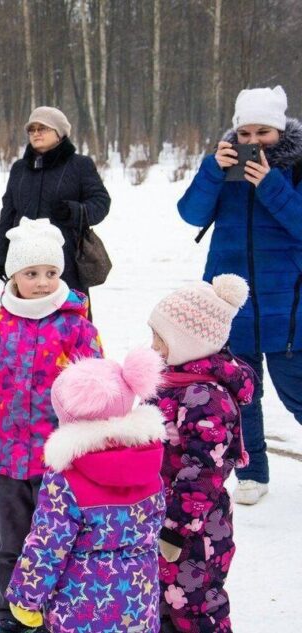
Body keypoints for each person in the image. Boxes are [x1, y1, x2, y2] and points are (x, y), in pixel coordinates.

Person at [0, 218, 102, 633]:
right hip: (7, 461)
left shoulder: (76, 326)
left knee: (57, 546)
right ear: (13, 276)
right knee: (12, 547)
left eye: (51, 273)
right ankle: (12, 617)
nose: (41, 282)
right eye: (31, 274)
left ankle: (57, 613)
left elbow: (97, 388)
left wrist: (93, 443)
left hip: (61, 462)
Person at [177, 85, 302, 505]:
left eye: (262, 132)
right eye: (245, 133)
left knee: (297, 392)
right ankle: (252, 473)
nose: (252, 142)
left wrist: (271, 185)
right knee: (240, 395)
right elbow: (191, 213)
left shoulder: (297, 167)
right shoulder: (223, 167)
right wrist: (212, 171)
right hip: (231, 303)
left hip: (288, 307)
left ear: (280, 131)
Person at [7, 348, 168, 633]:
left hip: (79, 608)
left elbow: (48, 542)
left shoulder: (65, 478)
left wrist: (26, 597)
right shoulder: (148, 464)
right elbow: (154, 524)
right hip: (138, 602)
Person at [148, 275, 256, 633]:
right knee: (163, 605)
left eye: (160, 339)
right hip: (162, 519)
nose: (153, 347)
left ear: (188, 343)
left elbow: (203, 471)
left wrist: (176, 531)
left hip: (195, 534)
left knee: (196, 611)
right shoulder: (170, 381)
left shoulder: (205, 397)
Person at [0, 106, 111, 298]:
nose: (36, 133)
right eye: (32, 129)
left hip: (66, 259)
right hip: (24, 259)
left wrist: (74, 211)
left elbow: (101, 203)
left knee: (69, 320)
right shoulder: (19, 169)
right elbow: (8, 214)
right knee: (25, 321)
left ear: (59, 133)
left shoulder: (80, 165)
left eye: (42, 128)